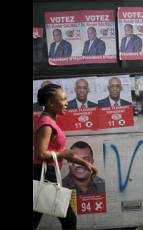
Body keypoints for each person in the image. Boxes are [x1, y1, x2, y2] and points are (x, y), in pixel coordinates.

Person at [33, 84, 97, 229]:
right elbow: (41, 153)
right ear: (50, 102)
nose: (67, 103)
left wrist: (85, 163)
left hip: (46, 174)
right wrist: (62, 154)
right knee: (69, 220)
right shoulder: (46, 124)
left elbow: (63, 151)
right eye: (63, 99)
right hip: (45, 174)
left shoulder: (49, 121)